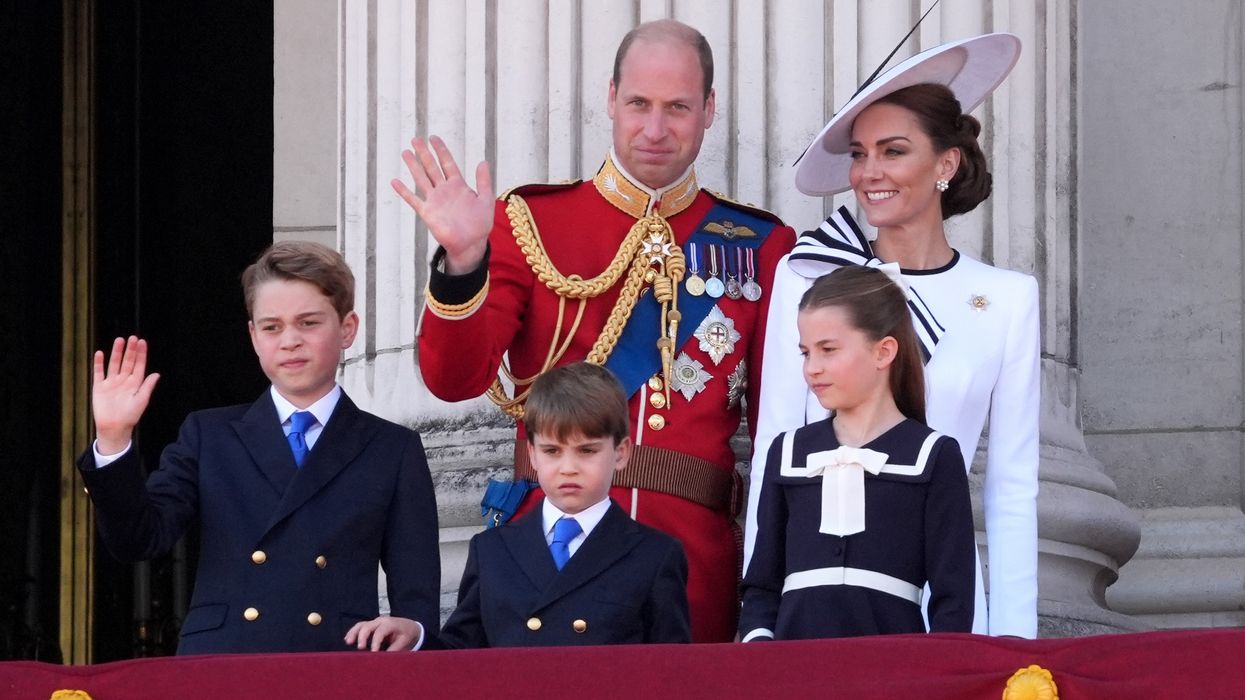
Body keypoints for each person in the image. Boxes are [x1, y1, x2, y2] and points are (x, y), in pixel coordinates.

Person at [397, 19, 796, 642]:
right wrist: (464, 261)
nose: (655, 129)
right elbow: (453, 381)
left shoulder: (761, 245)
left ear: (710, 109)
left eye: (678, 108)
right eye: (638, 104)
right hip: (550, 552)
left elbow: (778, 431)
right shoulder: (531, 222)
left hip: (694, 562)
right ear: (610, 98)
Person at [748, 33, 1039, 637]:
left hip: (944, 606)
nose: (868, 173)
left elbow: (1011, 492)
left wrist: (1014, 645)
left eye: (893, 151)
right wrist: (758, 625)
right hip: (815, 606)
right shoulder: (809, 275)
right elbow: (775, 446)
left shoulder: (1008, 300)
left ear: (946, 164)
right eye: (860, 153)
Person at [78, 241, 441, 655]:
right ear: (253, 335)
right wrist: (112, 439)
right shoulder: (208, 435)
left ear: (347, 328)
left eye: (308, 323)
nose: (289, 341)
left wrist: (412, 629)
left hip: (336, 660)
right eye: (272, 326)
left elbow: (417, 597)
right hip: (224, 662)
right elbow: (139, 540)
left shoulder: (391, 448)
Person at [347, 363, 691, 649]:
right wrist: (416, 637)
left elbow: (669, 674)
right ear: (532, 455)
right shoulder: (493, 550)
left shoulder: (654, 555)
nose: (568, 467)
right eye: (552, 451)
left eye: (586, 450)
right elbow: (461, 658)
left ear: (621, 453)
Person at [739, 266, 975, 640]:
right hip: (792, 670)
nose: (812, 368)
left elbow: (954, 599)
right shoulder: (787, 451)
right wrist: (760, 648)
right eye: (805, 353)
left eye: (828, 350)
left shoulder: (934, 455)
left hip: (892, 672)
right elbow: (762, 583)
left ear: (883, 352)